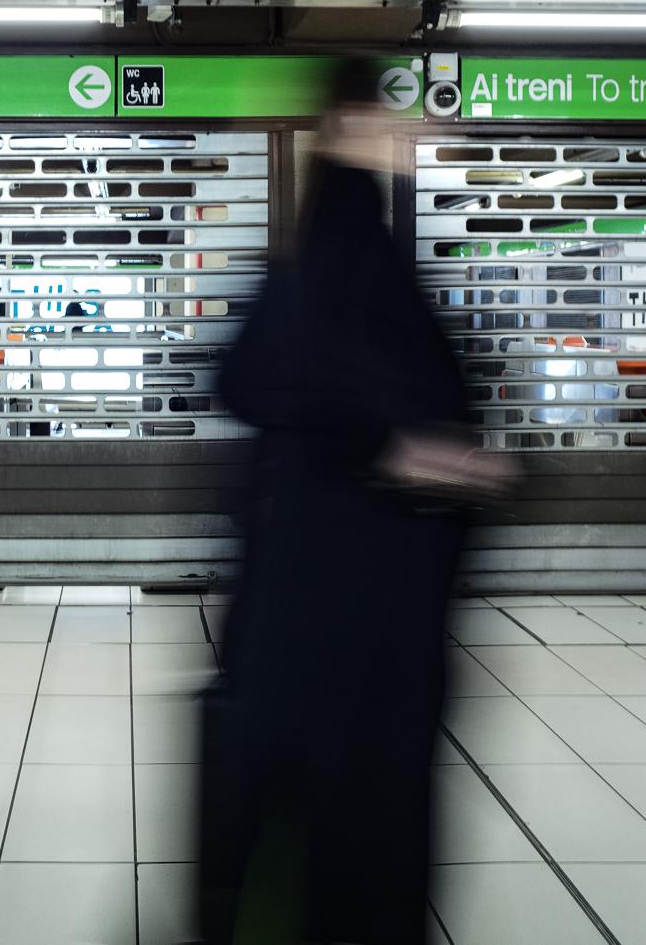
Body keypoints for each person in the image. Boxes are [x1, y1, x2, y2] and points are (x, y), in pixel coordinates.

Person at [199, 62, 511, 944]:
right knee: (356, 845)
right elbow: (294, 392)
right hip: (357, 633)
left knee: (295, 827)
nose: (419, 136)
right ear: (345, 124)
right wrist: (419, 457)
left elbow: (256, 385)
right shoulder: (346, 268)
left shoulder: (335, 258)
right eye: (391, 116)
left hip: (307, 626)